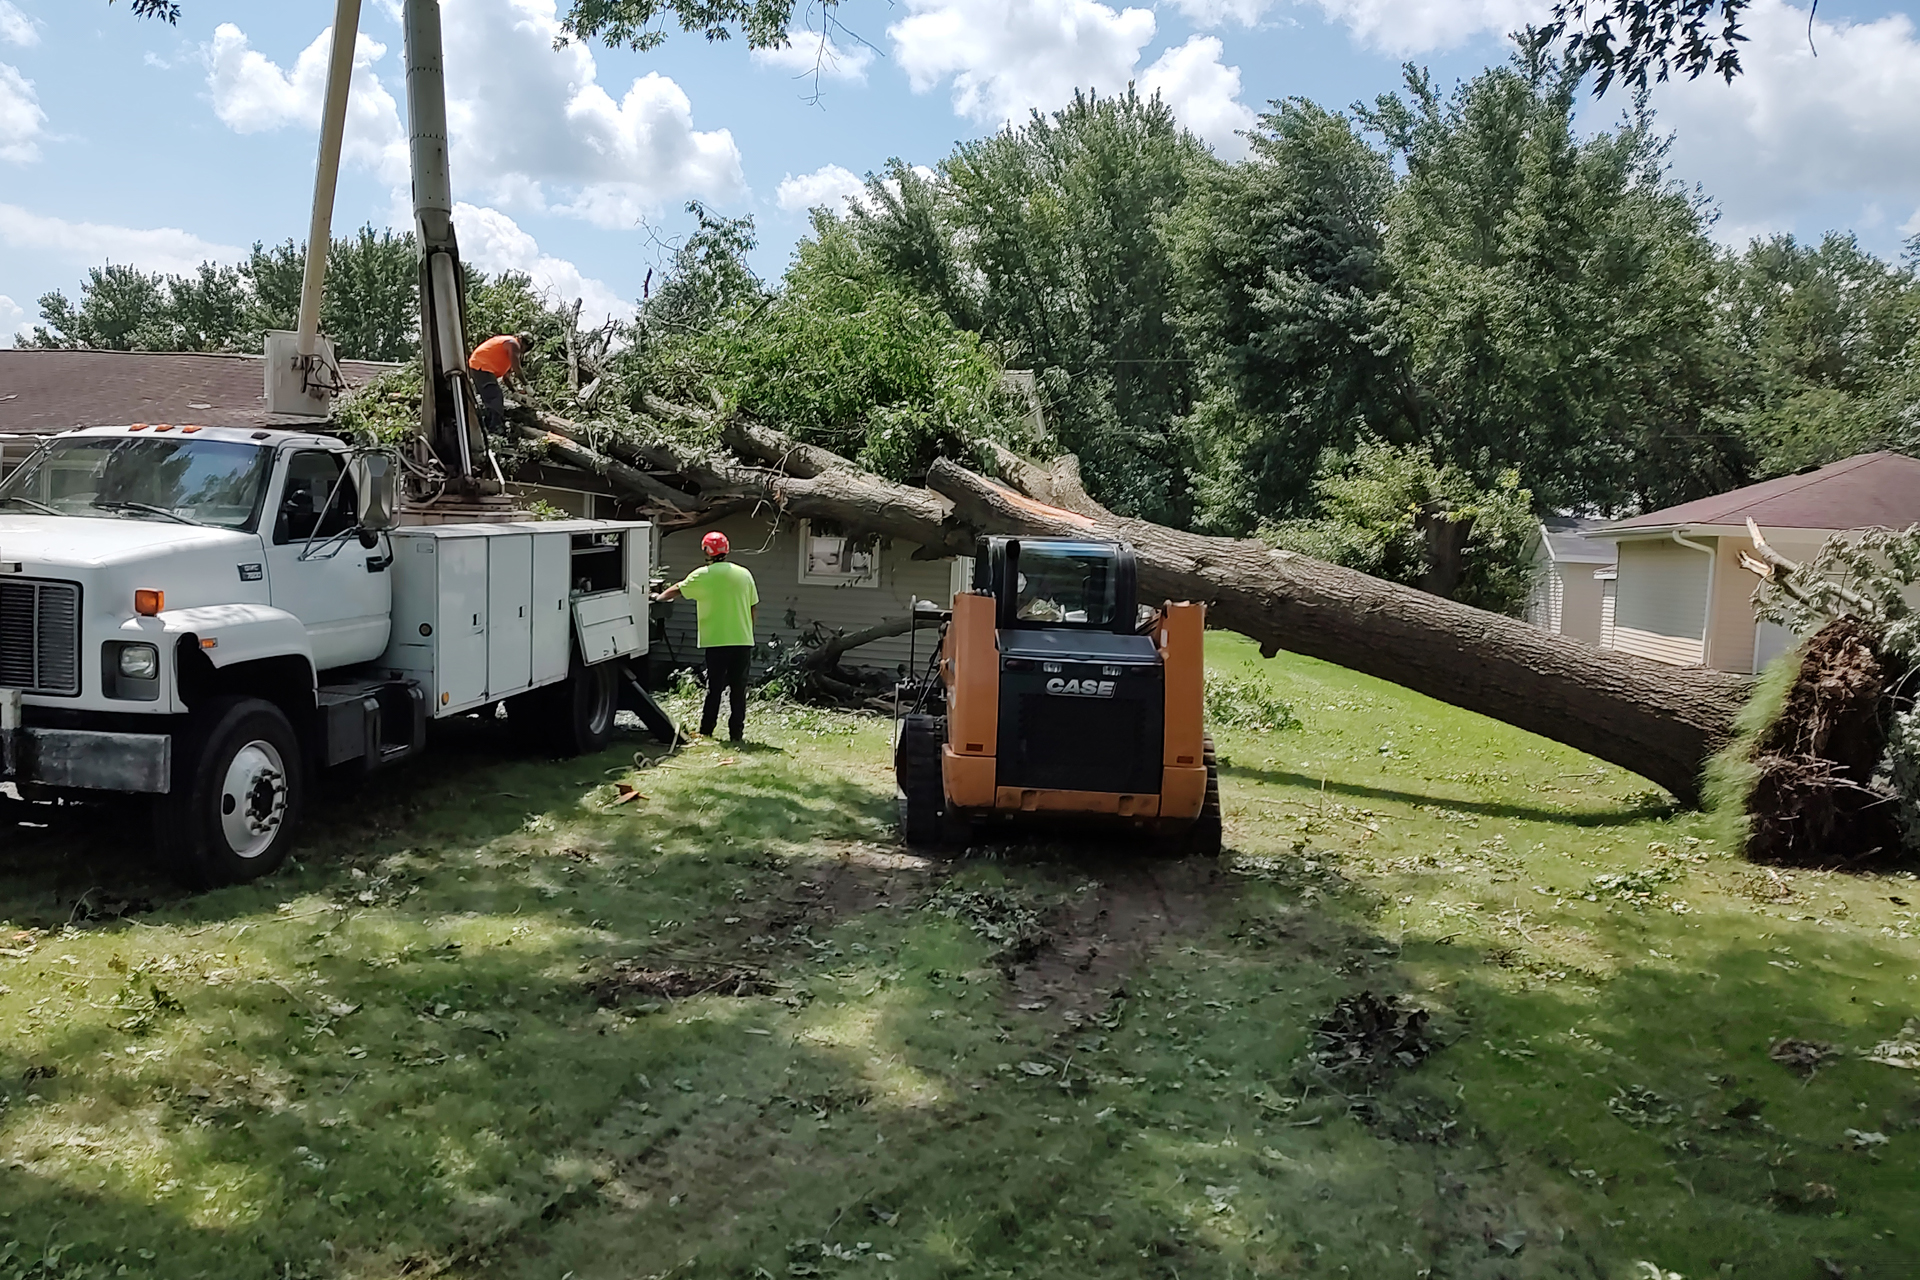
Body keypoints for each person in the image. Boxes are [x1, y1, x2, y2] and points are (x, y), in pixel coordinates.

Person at [655, 531, 759, 742]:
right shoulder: (745, 574)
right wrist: (748, 630)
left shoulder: (702, 575)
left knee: (715, 688)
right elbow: (753, 607)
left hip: (717, 641)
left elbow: (678, 589)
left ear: (706, 550)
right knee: (738, 690)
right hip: (742, 640)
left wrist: (658, 597)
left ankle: (706, 730)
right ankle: (736, 734)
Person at [468, 332, 531, 439]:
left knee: (490, 398)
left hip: (478, 366)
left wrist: (514, 392)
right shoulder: (513, 344)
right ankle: (495, 430)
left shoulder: (508, 351)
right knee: (495, 397)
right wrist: (527, 385)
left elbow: (506, 378)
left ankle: (487, 427)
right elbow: (517, 369)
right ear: (523, 343)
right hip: (482, 367)